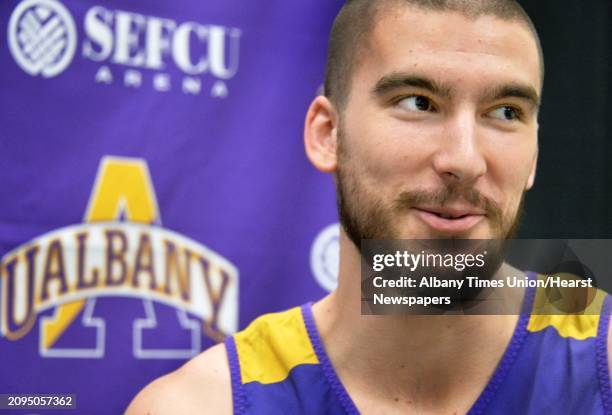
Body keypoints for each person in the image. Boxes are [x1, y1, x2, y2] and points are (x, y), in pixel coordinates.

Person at [127, 0, 612, 413]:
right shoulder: (206, 404)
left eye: (505, 113)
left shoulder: (600, 356)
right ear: (327, 134)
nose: (464, 159)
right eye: (418, 103)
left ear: (534, 155)